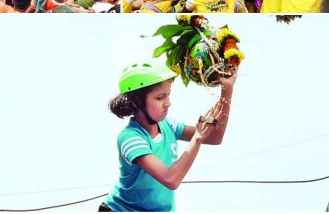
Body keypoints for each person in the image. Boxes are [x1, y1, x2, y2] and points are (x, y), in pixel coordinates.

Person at [101, 60, 236, 212]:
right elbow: (170, 179)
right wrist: (197, 137)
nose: (168, 103)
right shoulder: (130, 138)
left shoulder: (168, 126)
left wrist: (227, 90)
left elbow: (215, 137)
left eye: (168, 95)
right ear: (137, 102)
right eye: (160, 98)